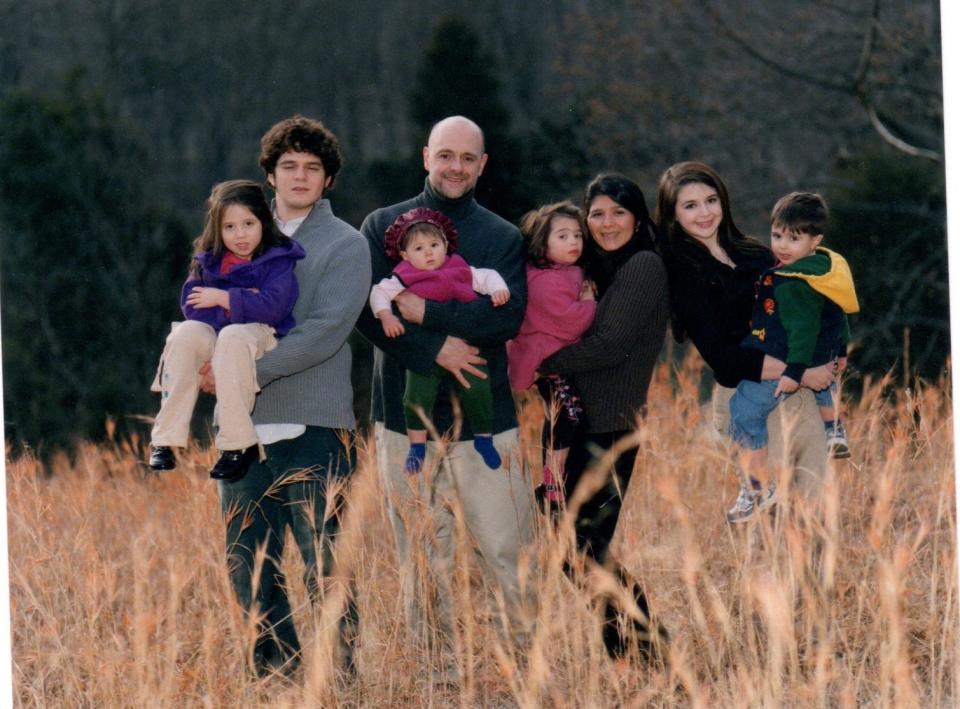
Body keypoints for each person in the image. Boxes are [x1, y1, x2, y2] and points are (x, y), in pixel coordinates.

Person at [355, 115, 533, 681]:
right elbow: (367, 314)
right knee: (423, 554)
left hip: (488, 421)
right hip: (404, 423)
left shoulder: (503, 237)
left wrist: (428, 314)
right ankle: (437, 671)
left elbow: (504, 317)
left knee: (508, 550)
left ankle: (523, 664)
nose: (455, 167)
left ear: (483, 165)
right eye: (445, 155)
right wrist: (437, 352)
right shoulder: (382, 226)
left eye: (468, 158)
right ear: (426, 156)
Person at [208, 116, 370, 677]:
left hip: (317, 426)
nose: (300, 176)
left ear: (328, 180)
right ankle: (276, 674)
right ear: (270, 175)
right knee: (247, 562)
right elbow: (205, 309)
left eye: (313, 168)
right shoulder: (239, 231)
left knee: (325, 562)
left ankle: (339, 678)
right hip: (243, 427)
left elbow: (325, 331)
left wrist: (247, 373)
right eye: (289, 167)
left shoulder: (346, 245)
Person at [655, 161, 836, 523]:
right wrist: (803, 371)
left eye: (711, 200)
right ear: (674, 215)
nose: (705, 212)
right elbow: (726, 360)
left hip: (797, 390)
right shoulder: (682, 274)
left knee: (815, 511)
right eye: (690, 206)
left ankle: (817, 582)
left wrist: (829, 354)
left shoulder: (756, 254)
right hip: (749, 395)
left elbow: (802, 308)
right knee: (777, 518)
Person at [537, 174, 669, 659]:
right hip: (570, 422)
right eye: (596, 213)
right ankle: (632, 651)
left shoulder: (643, 266)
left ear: (637, 219)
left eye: (618, 212)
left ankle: (646, 653)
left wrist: (541, 363)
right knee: (569, 544)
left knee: (584, 547)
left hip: (610, 426)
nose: (606, 223)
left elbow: (610, 343)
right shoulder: (587, 269)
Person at [148, 180, 305, 480]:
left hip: (260, 334)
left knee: (233, 337)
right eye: (229, 227)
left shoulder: (278, 261)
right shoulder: (209, 262)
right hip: (221, 335)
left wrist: (223, 297)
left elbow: (272, 307)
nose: (240, 234)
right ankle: (166, 439)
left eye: (248, 223)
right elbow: (193, 307)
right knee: (184, 334)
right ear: (217, 230)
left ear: (263, 222)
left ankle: (236, 445)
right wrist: (248, 299)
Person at [725, 191, 858, 521]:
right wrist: (841, 348)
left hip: (788, 359)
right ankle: (834, 430)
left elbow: (801, 332)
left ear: (816, 240)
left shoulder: (792, 283)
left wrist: (793, 373)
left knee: (742, 410)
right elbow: (837, 313)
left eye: (794, 238)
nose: (783, 245)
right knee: (824, 380)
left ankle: (757, 488)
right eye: (777, 235)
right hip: (820, 357)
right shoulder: (824, 269)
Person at [371, 207, 511, 474]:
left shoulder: (459, 267)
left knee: (479, 389)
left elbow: (487, 276)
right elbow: (379, 292)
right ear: (404, 255)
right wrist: (386, 316)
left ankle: (484, 438)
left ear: (446, 245)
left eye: (434, 245)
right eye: (419, 248)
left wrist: (498, 289)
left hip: (464, 344)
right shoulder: (404, 275)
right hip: (424, 348)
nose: (429, 253)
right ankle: (417, 446)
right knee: (416, 396)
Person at [507, 201, 596, 505]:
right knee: (569, 417)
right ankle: (552, 482)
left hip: (553, 359)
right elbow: (569, 323)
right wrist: (589, 303)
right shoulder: (543, 279)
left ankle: (554, 480)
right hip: (545, 361)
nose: (573, 241)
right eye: (562, 236)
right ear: (542, 242)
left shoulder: (564, 270)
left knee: (563, 417)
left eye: (577, 235)